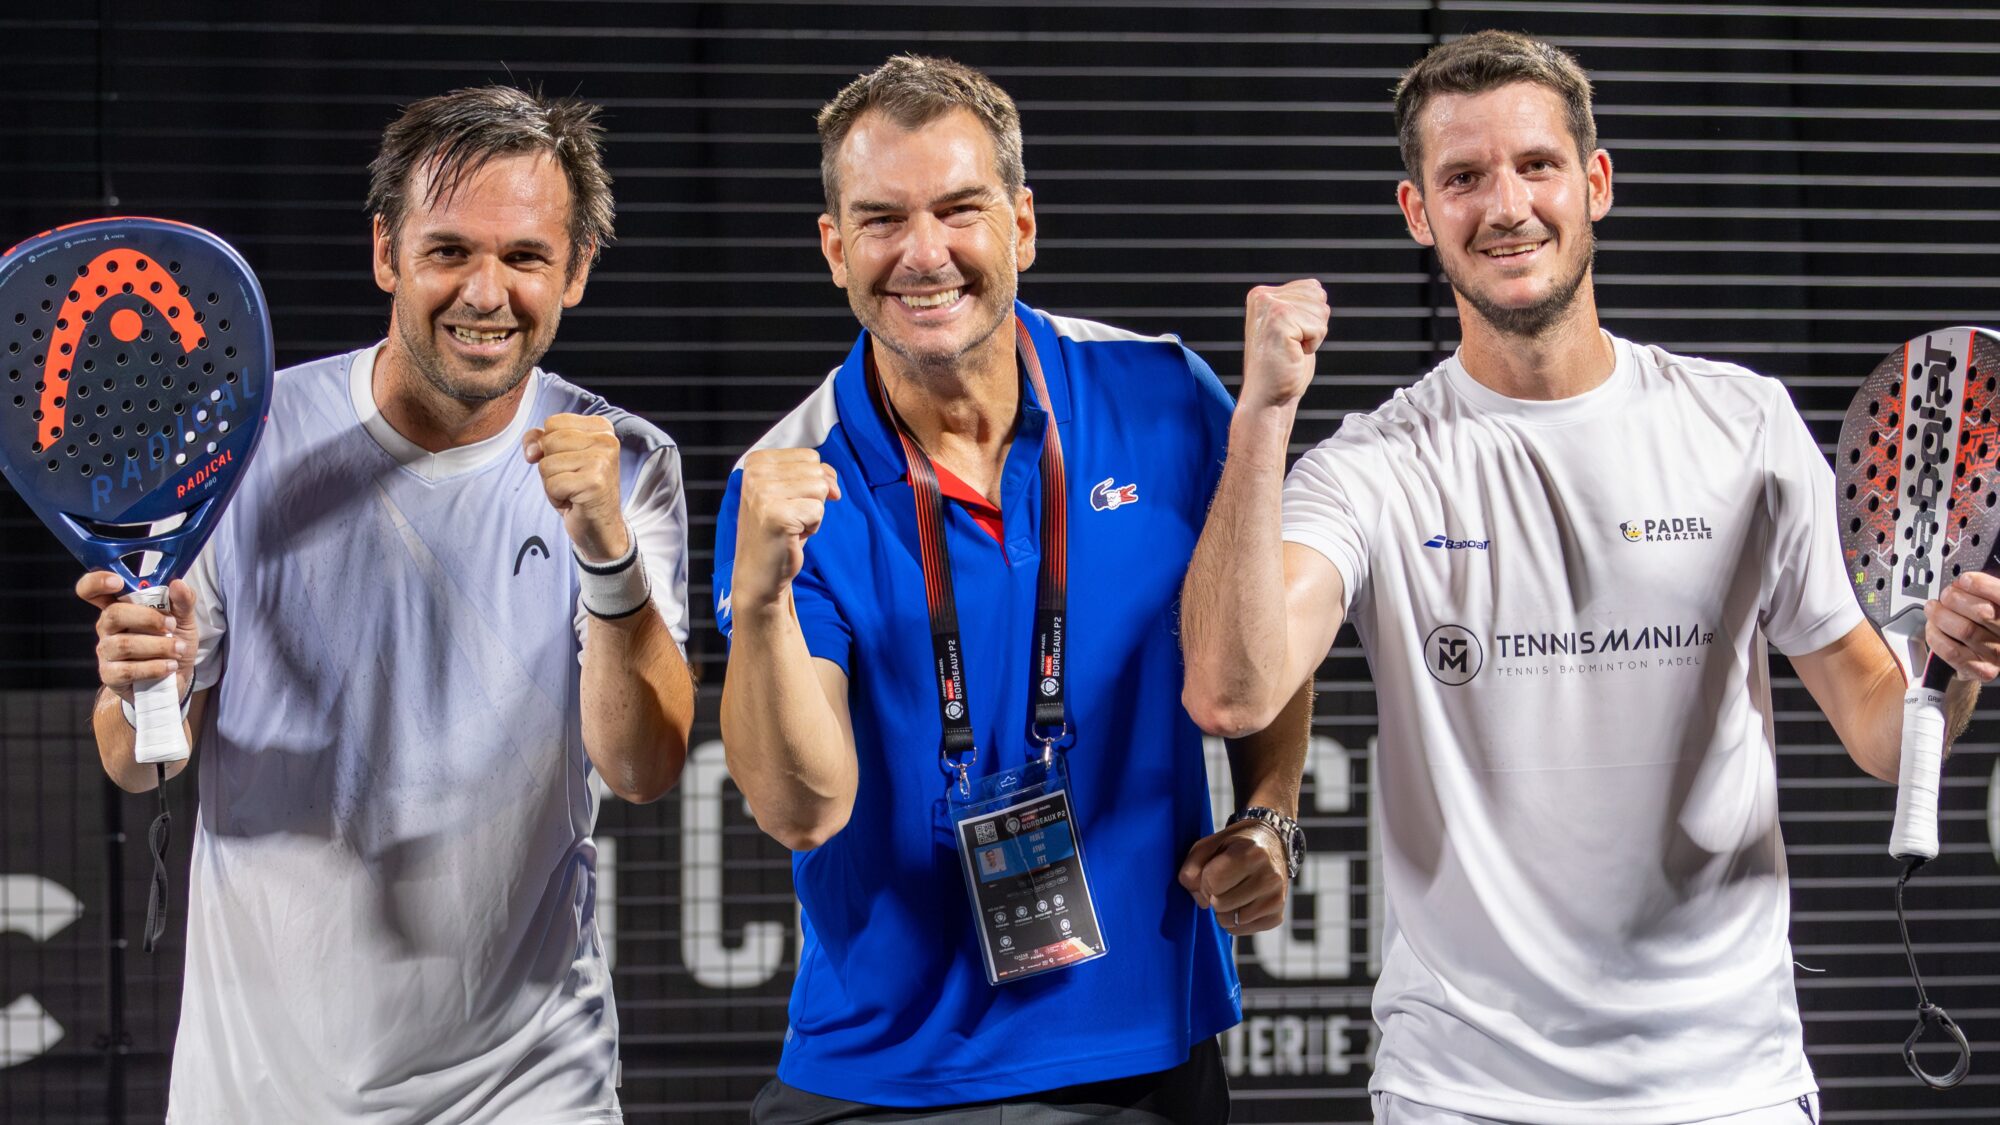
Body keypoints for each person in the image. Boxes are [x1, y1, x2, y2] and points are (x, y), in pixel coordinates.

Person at [1179, 30, 1999, 1125]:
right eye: (1463, 178)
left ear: (1595, 183)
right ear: (1418, 212)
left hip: (1728, 1085)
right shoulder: (1371, 468)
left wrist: (1949, 666)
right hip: (1461, 1092)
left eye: (1537, 166)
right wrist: (1263, 415)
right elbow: (1231, 692)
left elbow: (1882, 730)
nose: (1506, 206)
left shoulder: (1741, 425)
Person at [76, 85, 695, 1123]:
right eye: (448, 250)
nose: (486, 292)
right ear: (386, 254)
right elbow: (139, 761)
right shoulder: (241, 440)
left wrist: (606, 552)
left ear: (577, 269)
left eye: (526, 256)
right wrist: (147, 682)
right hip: (262, 1089)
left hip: (529, 1083)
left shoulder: (626, 463)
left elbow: (639, 768)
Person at [712, 55, 1311, 1123]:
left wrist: (1270, 809)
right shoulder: (789, 481)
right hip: (888, 1077)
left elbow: (1259, 627)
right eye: (881, 219)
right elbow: (803, 808)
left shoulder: (1165, 396)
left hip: (1147, 1053)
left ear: (1021, 226)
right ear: (835, 248)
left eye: (959, 209)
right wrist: (760, 603)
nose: (924, 253)